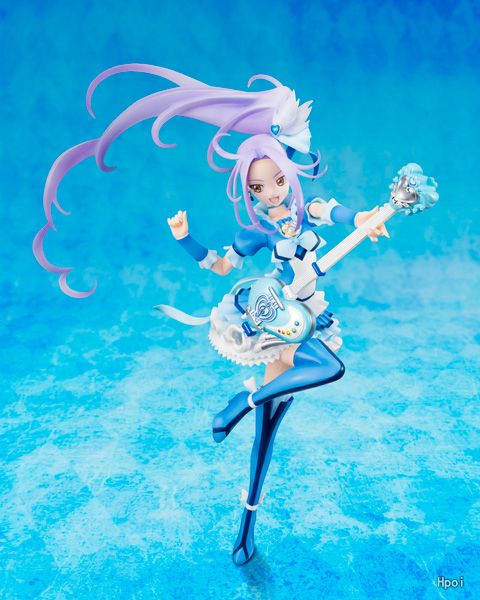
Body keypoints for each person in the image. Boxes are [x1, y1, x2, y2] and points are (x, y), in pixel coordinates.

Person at [33, 64, 387, 566]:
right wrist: (185, 239)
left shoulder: (308, 211)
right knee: (302, 393)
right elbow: (220, 265)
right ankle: (243, 439)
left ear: (288, 173)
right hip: (277, 323)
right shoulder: (257, 234)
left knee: (274, 421)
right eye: (259, 188)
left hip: (306, 317)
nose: (271, 193)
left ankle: (243, 470)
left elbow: (342, 214)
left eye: (277, 181)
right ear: (248, 191)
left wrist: (367, 219)